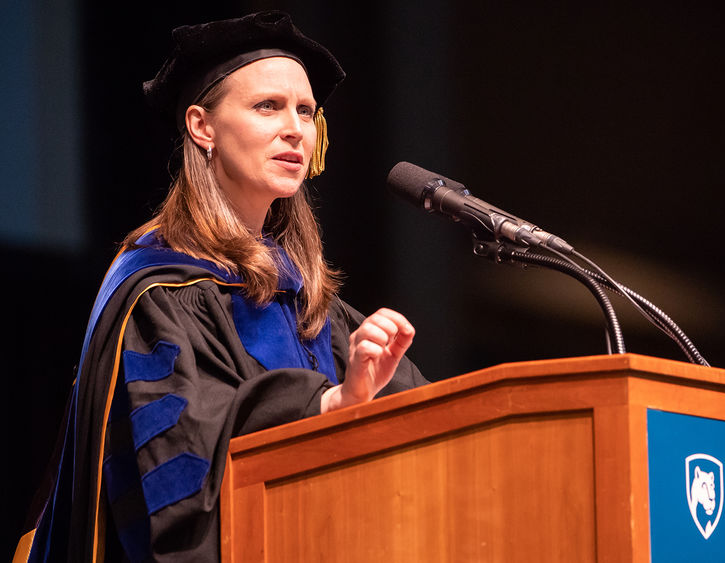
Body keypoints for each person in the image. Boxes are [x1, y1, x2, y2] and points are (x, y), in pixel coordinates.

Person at [16, 11, 427, 563]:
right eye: (268, 106)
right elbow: (181, 466)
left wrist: (378, 397)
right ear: (201, 126)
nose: (295, 129)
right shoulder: (156, 291)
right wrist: (327, 407)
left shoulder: (313, 304)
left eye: (305, 111)